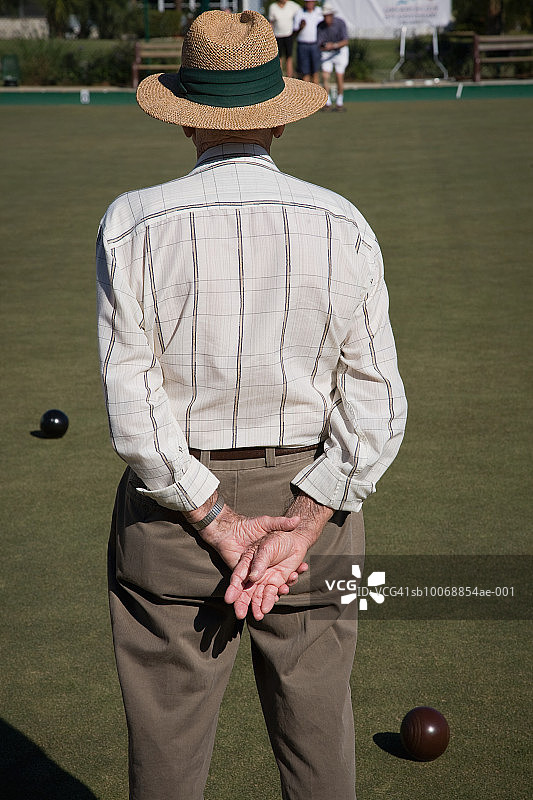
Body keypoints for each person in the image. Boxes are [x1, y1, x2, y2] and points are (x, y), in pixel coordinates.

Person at [96, 10, 407, 800]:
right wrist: (305, 519)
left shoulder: (131, 221)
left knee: (165, 763)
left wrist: (216, 518)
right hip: (313, 516)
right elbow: (376, 403)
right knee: (319, 745)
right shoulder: (342, 221)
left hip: (170, 518)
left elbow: (132, 403)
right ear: (278, 117)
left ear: (185, 118)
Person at [318, 4, 350, 111]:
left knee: (339, 76)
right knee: (325, 76)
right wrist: (326, 46)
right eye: (324, 16)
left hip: (340, 52)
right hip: (327, 53)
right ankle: (327, 102)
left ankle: (339, 102)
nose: (326, 18)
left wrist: (334, 45)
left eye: (328, 15)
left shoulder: (340, 23)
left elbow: (345, 41)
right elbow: (319, 44)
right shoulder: (320, 26)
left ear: (332, 15)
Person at [268, 0, 301, 78]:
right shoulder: (273, 7)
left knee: (289, 57)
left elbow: (301, 13)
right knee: (278, 57)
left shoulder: (292, 5)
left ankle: (289, 77)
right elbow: (271, 22)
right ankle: (279, 77)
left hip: (288, 35)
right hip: (277, 36)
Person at [294, 0, 324, 83]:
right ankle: (307, 89)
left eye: (311, 2)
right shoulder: (299, 12)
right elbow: (294, 31)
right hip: (303, 44)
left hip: (315, 44)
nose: (309, 4)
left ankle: (316, 90)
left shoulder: (319, 11)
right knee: (305, 72)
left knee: (315, 71)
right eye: (307, 2)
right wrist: (301, 27)